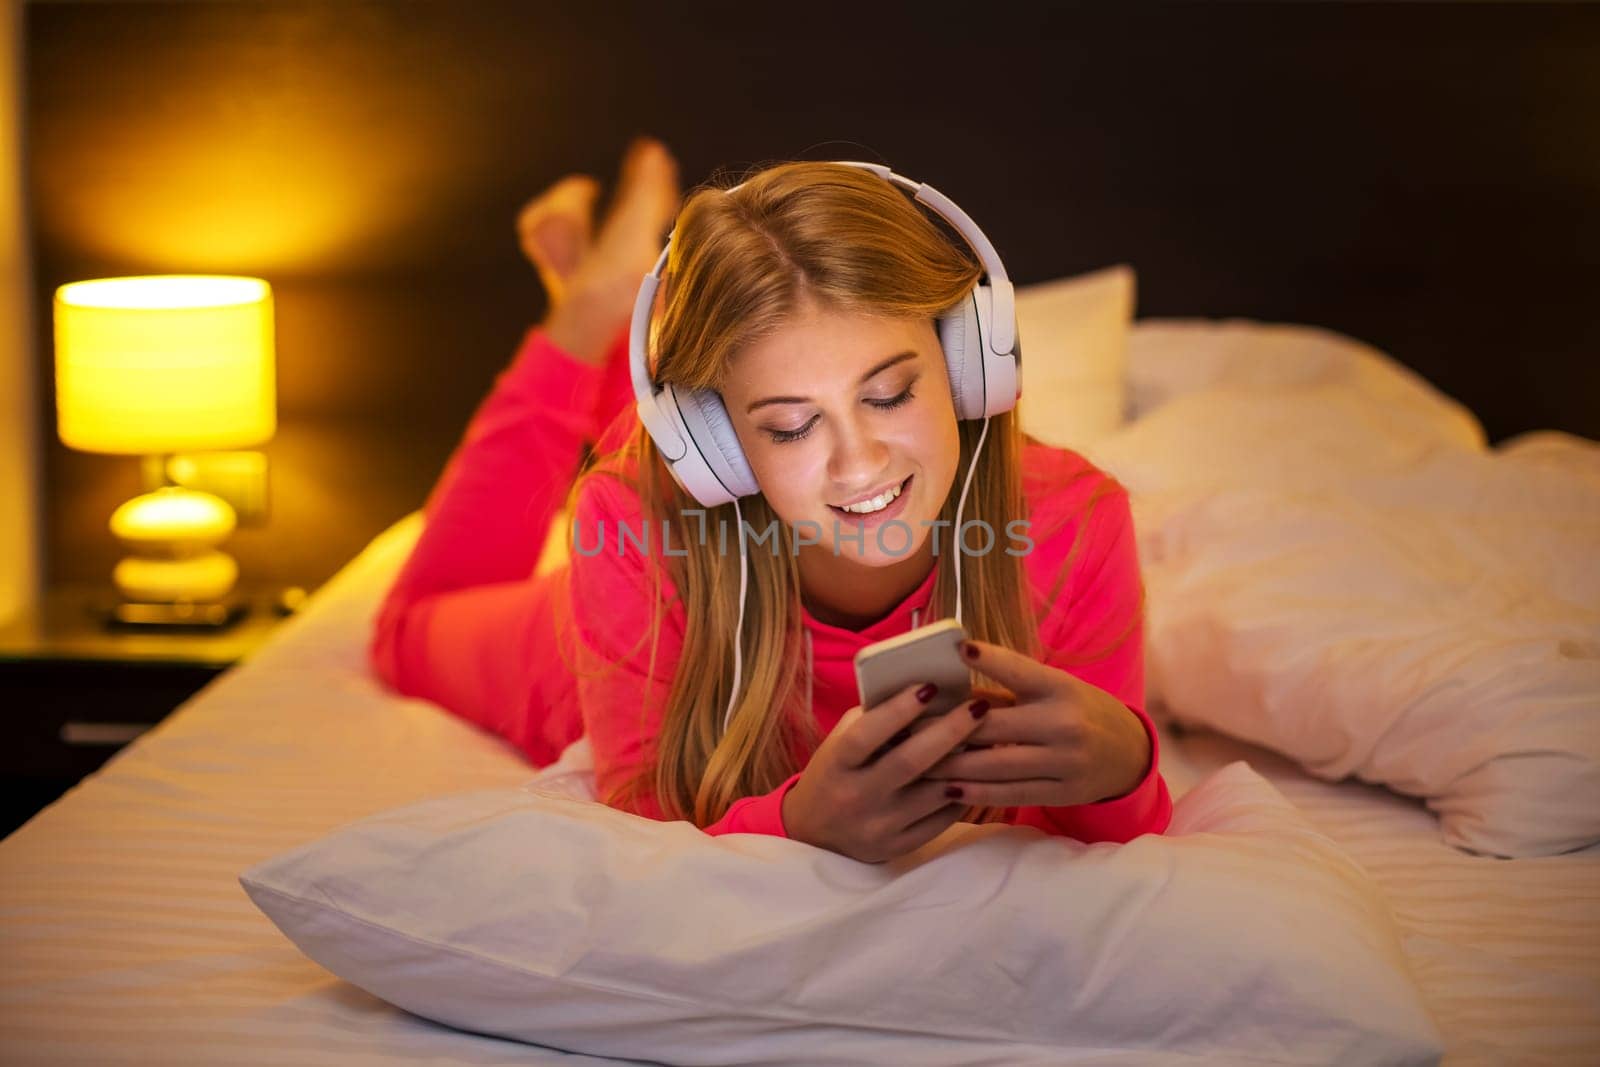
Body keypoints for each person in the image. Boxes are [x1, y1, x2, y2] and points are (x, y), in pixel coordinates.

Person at [370, 137, 1172, 864]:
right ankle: (584, 315)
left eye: (890, 394)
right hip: (593, 640)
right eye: (790, 427)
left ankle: (623, 325)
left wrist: (1124, 769)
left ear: (969, 364)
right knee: (403, 634)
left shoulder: (1076, 520)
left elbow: (1105, 839)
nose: (859, 465)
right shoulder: (631, 532)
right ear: (714, 446)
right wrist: (796, 828)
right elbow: (641, 821)